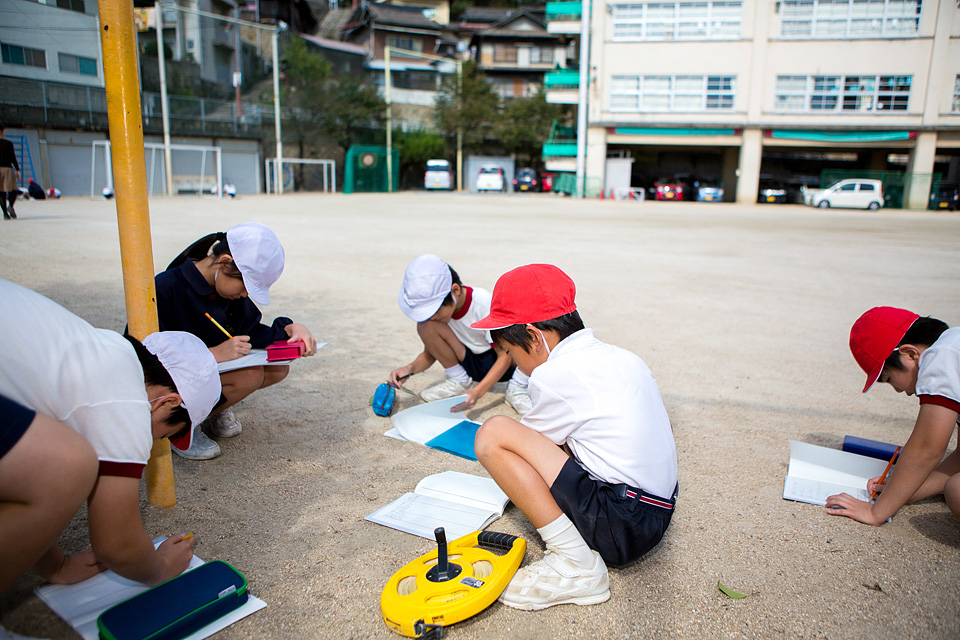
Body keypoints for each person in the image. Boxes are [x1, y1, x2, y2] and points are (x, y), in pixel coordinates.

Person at [0, 279, 221, 616]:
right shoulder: (130, 400)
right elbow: (117, 545)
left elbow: (24, 462)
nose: (154, 442)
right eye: (164, 435)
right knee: (70, 465)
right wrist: (161, 568)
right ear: (167, 403)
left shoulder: (100, 349)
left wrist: (56, 566)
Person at [470, 264, 678, 610]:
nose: (514, 363)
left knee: (493, 434)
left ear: (534, 337)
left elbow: (526, 449)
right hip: (658, 511)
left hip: (624, 525)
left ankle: (575, 564)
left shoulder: (555, 373)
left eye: (509, 351)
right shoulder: (622, 357)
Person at [155, 222, 318, 460]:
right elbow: (145, 354)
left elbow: (251, 332)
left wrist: (291, 328)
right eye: (246, 286)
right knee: (249, 375)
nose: (245, 295)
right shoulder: (166, 287)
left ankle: (210, 410)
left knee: (278, 368)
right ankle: (181, 426)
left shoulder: (228, 290)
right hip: (170, 384)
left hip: (208, 373)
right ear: (224, 263)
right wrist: (213, 354)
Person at [826, 307, 960, 524]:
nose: (898, 390)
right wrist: (902, 491)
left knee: (956, 490)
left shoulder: (941, 357)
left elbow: (926, 449)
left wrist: (876, 512)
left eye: (889, 379)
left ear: (910, 354)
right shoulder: (954, 346)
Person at [388, 254, 531, 415]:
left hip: (502, 364)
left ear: (455, 290)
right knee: (425, 326)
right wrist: (410, 368)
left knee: (527, 333)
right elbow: (431, 353)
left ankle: (517, 387)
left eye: (434, 311)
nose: (432, 317)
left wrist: (477, 392)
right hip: (470, 362)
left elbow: (505, 357)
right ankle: (459, 379)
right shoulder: (439, 316)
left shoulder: (483, 303)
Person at [0, 123, 19, 220]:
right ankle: (10, 205)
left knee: (1, 193)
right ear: (1, 131)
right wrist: (18, 170)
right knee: (13, 191)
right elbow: (13, 158)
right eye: (4, 130)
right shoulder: (8, 144)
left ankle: (5, 214)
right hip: (7, 169)